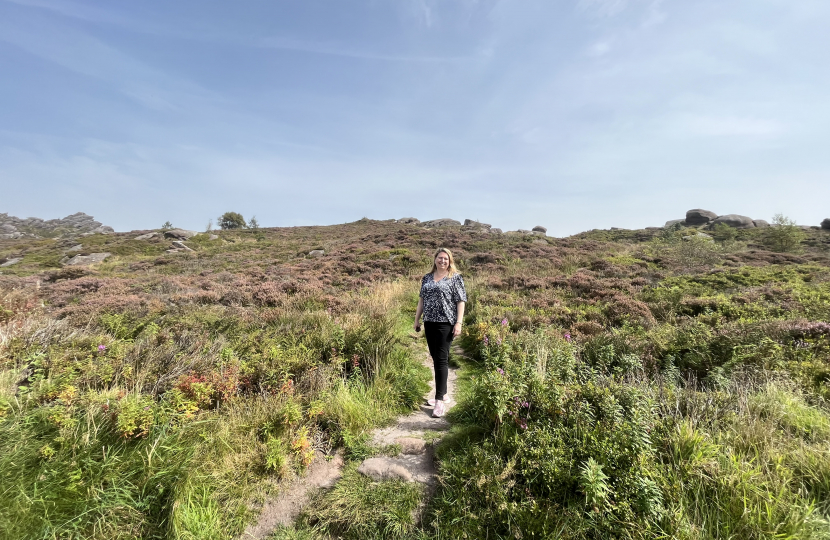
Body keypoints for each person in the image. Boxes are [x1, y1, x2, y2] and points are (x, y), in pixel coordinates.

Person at [413, 248, 467, 418]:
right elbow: (422, 299)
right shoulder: (427, 278)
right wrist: (417, 320)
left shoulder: (455, 278)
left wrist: (458, 322)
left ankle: (439, 401)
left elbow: (461, 301)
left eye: (446, 259)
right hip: (429, 323)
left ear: (450, 261)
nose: (442, 261)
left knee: (442, 359)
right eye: (440, 258)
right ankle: (443, 393)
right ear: (435, 259)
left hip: (446, 323)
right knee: (436, 359)